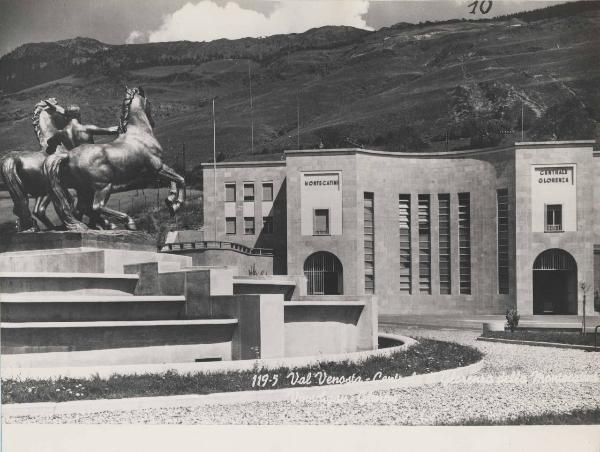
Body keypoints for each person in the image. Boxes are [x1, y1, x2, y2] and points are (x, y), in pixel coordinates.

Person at [44, 102, 119, 155]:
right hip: (91, 158)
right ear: (79, 116)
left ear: (66, 118)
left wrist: (51, 143)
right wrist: (125, 124)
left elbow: (49, 151)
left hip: (74, 163)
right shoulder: (87, 128)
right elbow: (111, 130)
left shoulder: (60, 133)